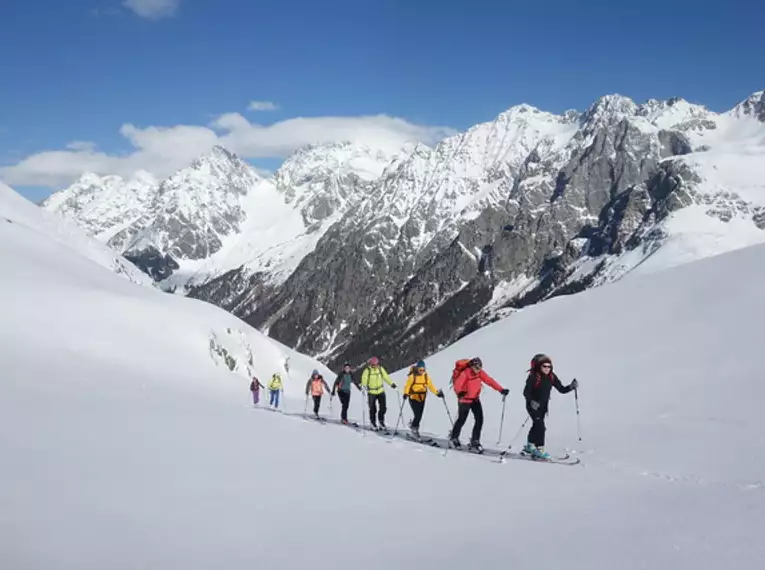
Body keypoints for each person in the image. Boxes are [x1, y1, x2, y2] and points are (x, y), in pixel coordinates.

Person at [522, 354, 578, 459]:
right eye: (544, 366)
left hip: (543, 407)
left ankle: (530, 445)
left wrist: (571, 387)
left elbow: (561, 389)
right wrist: (532, 402)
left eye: (549, 366)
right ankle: (539, 450)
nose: (547, 368)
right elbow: (526, 392)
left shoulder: (552, 377)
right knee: (540, 427)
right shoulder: (533, 377)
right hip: (532, 406)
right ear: (539, 366)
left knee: (537, 425)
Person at [450, 357, 509, 452]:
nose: (478, 370)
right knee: (461, 420)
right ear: (472, 366)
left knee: (479, 419)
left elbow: (489, 380)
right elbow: (457, 384)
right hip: (465, 400)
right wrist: (459, 392)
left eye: (480, 367)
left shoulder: (480, 373)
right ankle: (454, 438)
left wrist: (501, 389)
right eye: (477, 367)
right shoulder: (465, 373)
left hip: (475, 399)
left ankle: (475, 441)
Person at [402, 360, 444, 437]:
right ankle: (414, 429)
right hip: (413, 397)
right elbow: (407, 386)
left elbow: (431, 386)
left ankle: (414, 426)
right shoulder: (412, 376)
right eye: (420, 370)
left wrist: (437, 393)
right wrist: (405, 393)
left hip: (422, 398)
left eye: (423, 370)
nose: (422, 371)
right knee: (417, 415)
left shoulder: (425, 376)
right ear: (417, 369)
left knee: (419, 415)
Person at [360, 356, 397, 430]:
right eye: (373, 364)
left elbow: (386, 376)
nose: (375, 365)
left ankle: (381, 421)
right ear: (371, 364)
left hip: (380, 391)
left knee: (383, 408)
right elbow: (364, 378)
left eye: (376, 364)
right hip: (371, 392)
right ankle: (373, 423)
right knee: (373, 409)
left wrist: (391, 384)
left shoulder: (380, 369)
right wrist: (363, 386)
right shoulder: (367, 370)